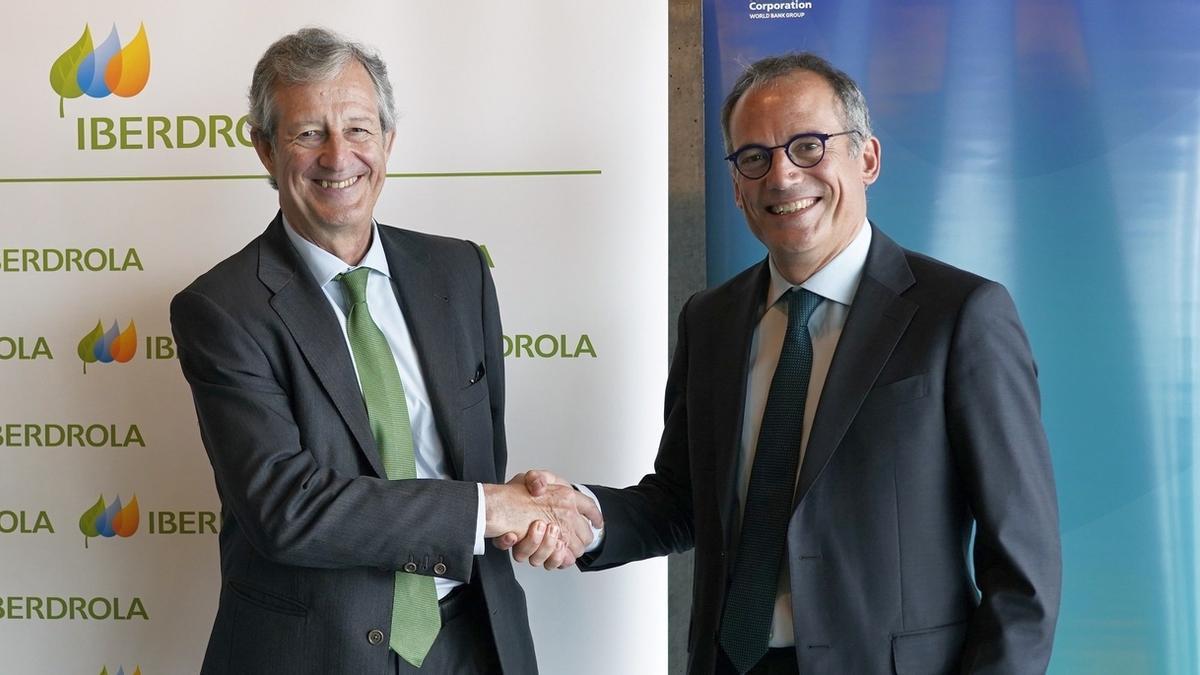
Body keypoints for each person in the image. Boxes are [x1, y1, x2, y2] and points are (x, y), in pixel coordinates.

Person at [503, 53, 1061, 674]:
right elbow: (684, 501)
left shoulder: (960, 315)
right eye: (754, 157)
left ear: (867, 158)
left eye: (808, 146)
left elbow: (1024, 571)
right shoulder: (710, 320)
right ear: (736, 185)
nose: (783, 175)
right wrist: (586, 518)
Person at [171, 27, 597, 675]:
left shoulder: (459, 272)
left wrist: (530, 508)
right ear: (264, 148)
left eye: (359, 129)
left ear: (388, 141)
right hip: (316, 654)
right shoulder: (222, 309)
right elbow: (287, 507)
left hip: (473, 640)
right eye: (308, 133)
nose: (338, 156)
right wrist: (488, 507)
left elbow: (479, 458)